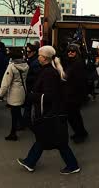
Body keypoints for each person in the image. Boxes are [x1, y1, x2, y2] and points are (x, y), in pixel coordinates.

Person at [17, 46, 80, 174]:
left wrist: (32, 96)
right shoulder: (47, 70)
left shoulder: (49, 73)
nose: (38, 57)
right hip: (52, 112)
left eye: (39, 55)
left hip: (51, 113)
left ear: (44, 58)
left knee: (55, 141)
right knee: (45, 139)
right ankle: (30, 162)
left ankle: (72, 165)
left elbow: (49, 95)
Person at [0, 48, 29, 141]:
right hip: (22, 90)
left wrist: (0, 95)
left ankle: (13, 133)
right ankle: (22, 124)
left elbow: (5, 82)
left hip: (14, 92)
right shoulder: (26, 65)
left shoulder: (12, 66)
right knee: (17, 111)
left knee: (14, 114)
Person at [62, 44, 89, 143]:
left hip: (75, 94)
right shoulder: (70, 62)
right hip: (70, 93)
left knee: (73, 116)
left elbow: (80, 81)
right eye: (69, 51)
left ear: (77, 52)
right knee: (75, 115)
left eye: (73, 51)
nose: (70, 52)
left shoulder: (78, 64)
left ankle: (80, 134)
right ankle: (81, 132)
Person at [22, 42, 41, 128]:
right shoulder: (31, 60)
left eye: (29, 52)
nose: (27, 53)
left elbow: (37, 76)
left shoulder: (35, 62)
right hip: (30, 87)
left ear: (34, 52)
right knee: (28, 106)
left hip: (32, 87)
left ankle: (28, 123)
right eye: (26, 51)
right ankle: (27, 122)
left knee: (29, 105)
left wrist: (28, 78)